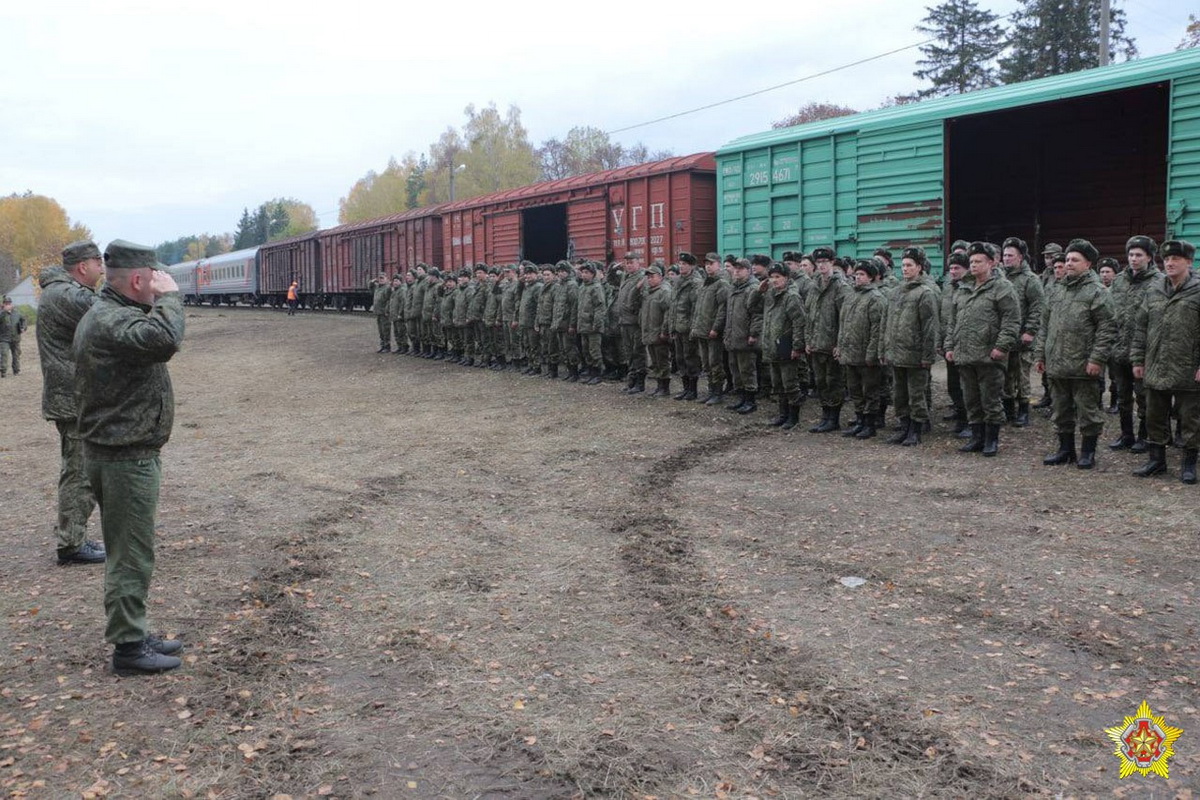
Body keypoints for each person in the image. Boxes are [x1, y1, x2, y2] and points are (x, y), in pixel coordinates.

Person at [74, 240, 185, 675]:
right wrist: (171, 298)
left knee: (130, 550)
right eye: (154, 280)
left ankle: (133, 628)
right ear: (138, 280)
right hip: (123, 457)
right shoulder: (110, 320)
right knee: (131, 554)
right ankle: (129, 647)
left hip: (120, 451)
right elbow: (164, 340)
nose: (158, 286)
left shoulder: (110, 314)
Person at [37, 241, 107, 565]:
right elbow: (105, 311)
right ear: (83, 267)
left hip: (76, 395)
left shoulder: (60, 293)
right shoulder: (64, 295)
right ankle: (71, 544)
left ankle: (73, 537)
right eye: (98, 263)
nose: (102, 269)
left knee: (81, 468)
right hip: (72, 398)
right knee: (79, 471)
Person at [1034, 239, 1116, 469]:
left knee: (1088, 412)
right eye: (1067, 259)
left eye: (1074, 260)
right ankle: (1065, 450)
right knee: (1061, 410)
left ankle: (1088, 453)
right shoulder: (1055, 289)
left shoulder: (1097, 291)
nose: (1069, 263)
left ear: (1088, 263)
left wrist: (1097, 359)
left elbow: (1107, 328)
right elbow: (1045, 325)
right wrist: (1040, 356)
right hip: (1057, 364)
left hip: (1084, 366)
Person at [1131, 239, 1200, 483]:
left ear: (1189, 263)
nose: (1169, 263)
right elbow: (1141, 327)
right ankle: (1156, 461)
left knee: (1191, 418)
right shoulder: (1154, 288)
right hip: (1156, 364)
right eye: (1167, 259)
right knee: (1154, 415)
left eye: (1176, 259)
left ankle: (1189, 464)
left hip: (1187, 366)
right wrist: (1138, 359)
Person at [945, 242, 1020, 457]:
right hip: (965, 354)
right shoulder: (963, 288)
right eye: (972, 262)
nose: (974, 265)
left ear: (991, 263)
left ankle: (991, 439)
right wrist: (950, 345)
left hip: (989, 355)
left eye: (979, 261)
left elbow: (1011, 321)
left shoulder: (1002, 288)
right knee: (971, 399)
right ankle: (976, 437)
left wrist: (1001, 347)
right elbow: (954, 321)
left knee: (990, 400)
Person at [884, 247, 941, 446]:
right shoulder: (896, 291)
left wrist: (927, 356)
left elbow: (930, 327)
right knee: (899, 394)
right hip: (897, 354)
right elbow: (888, 322)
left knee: (916, 394)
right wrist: (886, 349)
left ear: (919, 267)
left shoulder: (925, 293)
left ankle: (916, 431)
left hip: (915, 355)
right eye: (903, 265)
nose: (905, 269)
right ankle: (904, 427)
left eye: (909, 265)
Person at [1108, 236, 1160, 452]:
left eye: (1139, 255)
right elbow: (1109, 312)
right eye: (1131, 254)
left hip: (1144, 351)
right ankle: (1126, 434)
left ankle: (1144, 436)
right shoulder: (1119, 280)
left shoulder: (1159, 282)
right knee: (1122, 395)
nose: (1134, 259)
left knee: (1143, 397)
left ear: (1149, 257)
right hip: (1119, 349)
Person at [837, 260, 886, 440]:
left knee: (870, 390)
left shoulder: (876, 298)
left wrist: (872, 353)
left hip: (866, 355)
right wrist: (840, 346)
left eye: (862, 275)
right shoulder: (850, 296)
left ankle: (870, 424)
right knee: (855, 390)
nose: (858, 278)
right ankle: (859, 421)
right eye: (856, 274)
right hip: (850, 353)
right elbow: (843, 324)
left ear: (871, 277)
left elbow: (877, 329)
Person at [1000, 237, 1045, 427]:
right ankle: (1008, 408)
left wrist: (1030, 331)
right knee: (1006, 375)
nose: (1006, 259)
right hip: (1005, 336)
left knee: (1022, 375)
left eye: (1010, 255)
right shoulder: (1000, 278)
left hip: (1022, 336)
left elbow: (1037, 307)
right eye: (1004, 255)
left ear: (1020, 257)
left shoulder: (1030, 279)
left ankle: (1023, 410)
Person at [805, 247, 849, 432]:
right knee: (821, 382)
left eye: (825, 262)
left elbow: (845, 319)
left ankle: (834, 418)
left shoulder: (841, 287)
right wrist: (808, 339)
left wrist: (840, 344)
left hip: (831, 344)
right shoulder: (814, 286)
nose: (821, 265)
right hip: (816, 343)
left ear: (832, 263)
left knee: (834, 382)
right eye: (819, 262)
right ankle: (825, 416)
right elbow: (809, 314)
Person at [761, 263, 806, 429]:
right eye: (772, 277)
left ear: (786, 278)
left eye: (778, 277)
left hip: (786, 344)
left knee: (790, 383)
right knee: (778, 383)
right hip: (773, 345)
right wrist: (759, 291)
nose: (774, 280)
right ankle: (783, 414)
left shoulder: (791, 296)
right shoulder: (771, 294)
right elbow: (752, 306)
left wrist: (797, 346)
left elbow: (799, 322)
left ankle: (793, 417)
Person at [723, 258, 763, 414]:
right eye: (735, 268)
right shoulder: (733, 287)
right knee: (735, 369)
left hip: (745, 337)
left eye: (741, 268)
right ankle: (741, 399)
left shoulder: (753, 288)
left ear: (749, 270)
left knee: (747, 370)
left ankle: (751, 401)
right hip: (733, 336)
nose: (737, 271)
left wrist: (753, 334)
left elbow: (757, 314)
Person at [692, 253, 730, 405]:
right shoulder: (704, 283)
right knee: (706, 363)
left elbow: (723, 309)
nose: (708, 266)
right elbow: (699, 308)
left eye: (711, 263)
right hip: (702, 330)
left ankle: (718, 393)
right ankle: (711, 391)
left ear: (718, 265)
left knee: (715, 363)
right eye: (706, 263)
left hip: (713, 332)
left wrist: (716, 328)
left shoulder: (722, 284)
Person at [669, 253, 703, 400]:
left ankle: (693, 390)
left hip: (688, 328)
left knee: (691, 358)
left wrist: (693, 328)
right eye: (680, 263)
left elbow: (697, 308)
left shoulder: (695, 282)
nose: (681, 266)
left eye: (685, 264)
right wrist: (671, 326)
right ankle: (685, 388)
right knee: (680, 358)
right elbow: (673, 306)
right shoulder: (678, 281)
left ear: (692, 266)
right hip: (678, 326)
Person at [0, 296, 26, 377]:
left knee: (16, 355)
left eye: (9, 303)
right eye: (6, 303)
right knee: (4, 355)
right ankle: (3, 371)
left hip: (16, 338)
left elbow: (23, 320)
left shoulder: (17, 313)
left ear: (11, 304)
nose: (8, 305)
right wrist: (4, 312)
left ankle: (16, 371)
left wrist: (23, 327)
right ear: (3, 304)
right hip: (4, 339)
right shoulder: (1, 313)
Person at [370, 272, 392, 352]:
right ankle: (382, 345)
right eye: (380, 278)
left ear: (386, 279)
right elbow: (370, 287)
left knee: (386, 330)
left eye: (383, 278)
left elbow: (389, 300)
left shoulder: (387, 288)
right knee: (381, 331)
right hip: (378, 312)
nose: (381, 280)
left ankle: (387, 346)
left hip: (384, 313)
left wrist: (387, 310)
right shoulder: (377, 288)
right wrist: (372, 281)